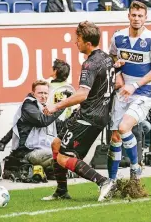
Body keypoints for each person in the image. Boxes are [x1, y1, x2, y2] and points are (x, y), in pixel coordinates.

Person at [41, 21, 116, 202]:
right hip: (95, 114)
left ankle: (103, 181)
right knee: (56, 145)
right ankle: (61, 191)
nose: (76, 43)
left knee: (62, 157)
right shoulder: (106, 58)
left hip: (89, 117)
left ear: (88, 44)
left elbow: (82, 94)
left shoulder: (90, 64)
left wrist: (55, 106)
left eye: (78, 39)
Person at [107, 1, 151, 182]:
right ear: (128, 16)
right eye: (134, 15)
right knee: (115, 137)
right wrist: (118, 74)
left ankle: (135, 167)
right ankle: (111, 181)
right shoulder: (117, 37)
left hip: (143, 93)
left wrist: (135, 85)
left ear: (145, 18)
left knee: (125, 128)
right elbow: (112, 56)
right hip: (123, 92)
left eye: (140, 16)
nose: (137, 19)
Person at [0, 80, 63, 169]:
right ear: (33, 94)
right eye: (40, 93)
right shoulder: (28, 105)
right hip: (27, 152)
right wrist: (61, 106)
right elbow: (43, 121)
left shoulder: (45, 108)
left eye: (46, 93)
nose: (43, 96)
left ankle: (54, 168)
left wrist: (76, 114)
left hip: (43, 151)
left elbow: (61, 126)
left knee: (66, 154)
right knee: (58, 156)